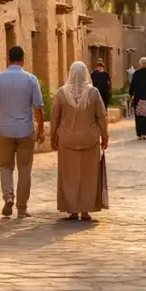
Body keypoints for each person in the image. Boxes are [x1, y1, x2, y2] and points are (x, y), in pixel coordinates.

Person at [0, 46, 45, 219]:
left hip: (5, 130)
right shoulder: (31, 80)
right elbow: (38, 108)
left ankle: (8, 196)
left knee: (5, 166)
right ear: (23, 60)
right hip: (25, 130)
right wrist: (41, 130)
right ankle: (21, 208)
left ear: (8, 59)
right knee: (24, 169)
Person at [51, 61, 109, 221]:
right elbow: (101, 117)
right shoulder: (93, 93)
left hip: (67, 140)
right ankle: (85, 210)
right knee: (88, 175)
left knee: (69, 175)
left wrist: (52, 137)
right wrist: (105, 136)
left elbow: (55, 117)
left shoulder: (61, 93)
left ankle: (72, 210)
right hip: (89, 140)